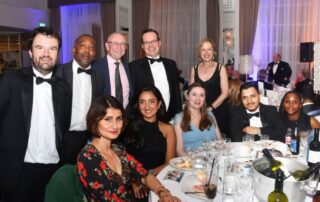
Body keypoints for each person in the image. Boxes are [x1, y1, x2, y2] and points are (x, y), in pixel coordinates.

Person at [0, 27, 72, 202]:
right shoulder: (11, 80)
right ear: (31, 52)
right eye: (40, 47)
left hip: (53, 171)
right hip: (18, 171)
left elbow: (64, 126)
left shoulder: (64, 87)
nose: (46, 53)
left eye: (52, 48)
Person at [77, 96, 180, 202]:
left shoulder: (118, 149)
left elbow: (144, 175)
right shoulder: (88, 157)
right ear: (94, 121)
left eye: (118, 119)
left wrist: (163, 193)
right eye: (107, 119)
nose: (115, 126)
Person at [120, 86, 176, 201]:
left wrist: (144, 177)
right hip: (132, 182)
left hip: (158, 180)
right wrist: (134, 181)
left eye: (151, 102)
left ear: (159, 104)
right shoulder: (128, 127)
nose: (147, 107)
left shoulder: (168, 129)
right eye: (142, 102)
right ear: (138, 105)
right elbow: (121, 160)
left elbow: (170, 162)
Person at [55, 34, 104, 164]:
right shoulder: (58, 72)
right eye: (83, 45)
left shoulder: (99, 77)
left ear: (95, 53)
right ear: (74, 49)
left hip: (87, 137)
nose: (87, 51)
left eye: (91, 47)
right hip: (62, 136)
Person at [129, 28, 182, 122]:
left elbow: (176, 92)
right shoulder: (133, 67)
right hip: (144, 121)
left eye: (153, 41)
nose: (150, 45)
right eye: (146, 42)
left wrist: (178, 116)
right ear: (142, 46)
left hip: (170, 118)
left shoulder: (171, 64)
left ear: (159, 43)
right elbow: (132, 96)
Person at [189, 38, 229, 137]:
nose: (206, 53)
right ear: (199, 53)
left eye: (209, 49)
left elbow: (225, 93)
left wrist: (210, 108)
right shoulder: (194, 69)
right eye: (203, 50)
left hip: (218, 111)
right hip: (198, 112)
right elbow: (190, 92)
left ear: (213, 52)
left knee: (217, 143)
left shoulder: (221, 68)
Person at [174, 83, 221, 156]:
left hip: (213, 160)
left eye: (201, 95)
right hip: (190, 163)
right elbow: (179, 150)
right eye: (194, 94)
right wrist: (192, 164)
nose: (198, 98)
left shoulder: (210, 115)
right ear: (187, 96)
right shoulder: (179, 118)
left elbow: (220, 140)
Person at [93, 32, 132, 110]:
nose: (119, 47)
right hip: (104, 116)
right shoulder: (95, 66)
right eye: (115, 43)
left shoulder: (129, 68)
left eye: (123, 44)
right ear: (107, 46)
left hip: (126, 117)